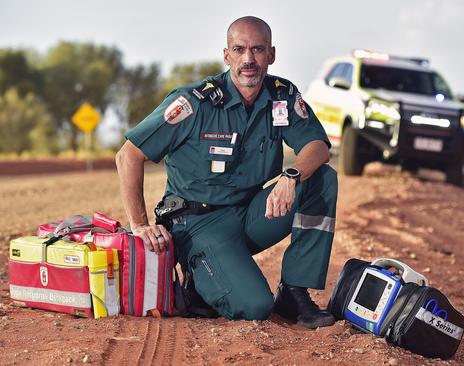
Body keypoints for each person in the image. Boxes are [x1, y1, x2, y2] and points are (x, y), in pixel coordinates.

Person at [115, 16, 338, 328]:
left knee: (321, 179)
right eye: (240, 49)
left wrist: (291, 176)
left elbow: (318, 146)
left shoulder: (281, 96)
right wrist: (138, 225)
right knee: (255, 306)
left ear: (271, 55)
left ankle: (294, 292)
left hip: (249, 215)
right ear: (226, 55)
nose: (249, 59)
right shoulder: (194, 103)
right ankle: (200, 284)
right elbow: (128, 155)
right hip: (197, 224)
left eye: (258, 50)